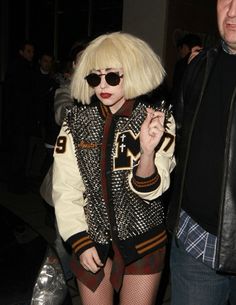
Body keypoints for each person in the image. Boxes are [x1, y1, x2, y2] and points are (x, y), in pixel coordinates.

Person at [52, 32, 175, 305]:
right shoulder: (76, 121)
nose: (102, 85)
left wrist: (147, 151)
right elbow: (66, 187)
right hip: (92, 238)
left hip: (144, 242)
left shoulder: (157, 119)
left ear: (132, 73)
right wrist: (79, 240)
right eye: (95, 77)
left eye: (113, 76)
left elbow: (153, 189)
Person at [167, 1, 236, 304]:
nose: (232, 11)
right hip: (196, 241)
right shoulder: (199, 65)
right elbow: (179, 140)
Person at [4, 40, 37, 193]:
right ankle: (16, 184)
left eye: (32, 51)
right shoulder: (22, 68)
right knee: (19, 152)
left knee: (17, 151)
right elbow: (24, 96)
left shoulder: (17, 68)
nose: (31, 54)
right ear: (21, 52)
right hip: (20, 119)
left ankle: (14, 182)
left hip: (15, 118)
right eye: (29, 51)